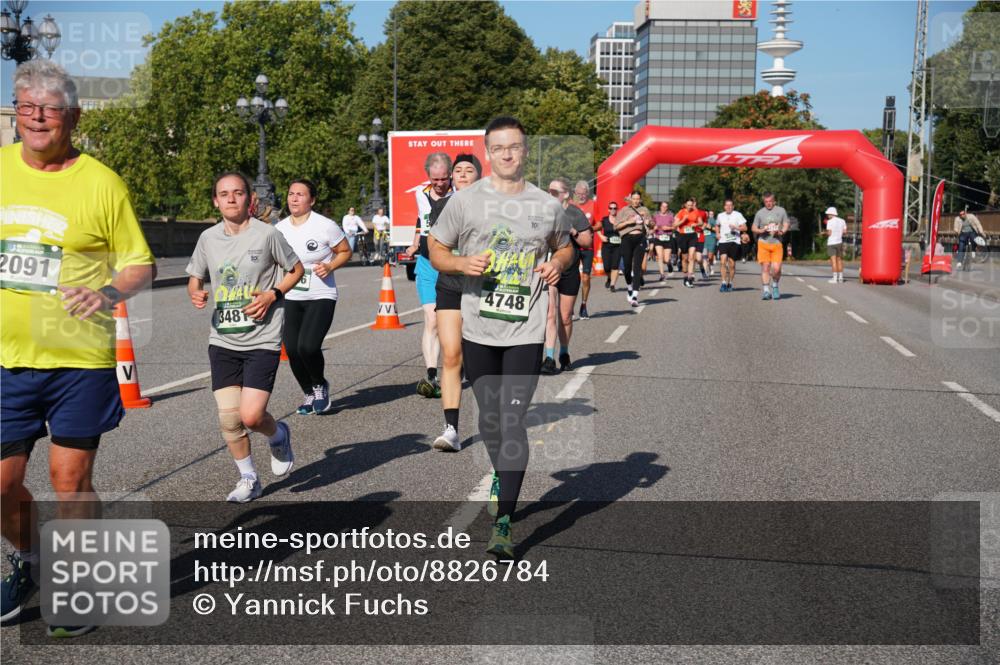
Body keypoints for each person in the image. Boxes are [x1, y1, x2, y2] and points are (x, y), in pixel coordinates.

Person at [0, 61, 157, 637]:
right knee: (1, 484)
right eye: (26, 105)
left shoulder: (100, 182)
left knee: (69, 478)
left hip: (78, 361)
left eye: (51, 107)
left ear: (74, 116)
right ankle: (33, 559)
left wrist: (108, 291)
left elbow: (141, 262)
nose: (37, 116)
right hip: (5, 359)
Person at [430, 116, 572, 559]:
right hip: (479, 327)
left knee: (510, 423)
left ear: (525, 150)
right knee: (490, 420)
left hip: (526, 328)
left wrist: (558, 264)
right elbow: (437, 249)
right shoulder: (465, 201)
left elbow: (564, 244)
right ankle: (500, 471)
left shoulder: (546, 204)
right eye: (499, 148)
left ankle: (505, 523)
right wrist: (459, 265)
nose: (508, 154)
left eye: (515, 147)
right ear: (487, 152)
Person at [187, 172, 304, 503]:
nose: (231, 199)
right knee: (229, 417)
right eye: (224, 194)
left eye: (238, 193)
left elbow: (296, 270)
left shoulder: (267, 235)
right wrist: (196, 293)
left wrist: (272, 294)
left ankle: (278, 434)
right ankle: (249, 478)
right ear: (216, 201)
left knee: (251, 416)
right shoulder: (208, 238)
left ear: (249, 198)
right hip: (223, 338)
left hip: (262, 338)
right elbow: (195, 277)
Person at [276, 179, 351, 415]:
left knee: (308, 346)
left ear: (312, 200)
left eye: (300, 194)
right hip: (291, 295)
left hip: (321, 294)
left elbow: (345, 251)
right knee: (292, 349)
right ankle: (308, 392)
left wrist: (330, 266)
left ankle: (319, 385)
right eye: (291, 194)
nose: (294, 198)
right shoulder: (279, 229)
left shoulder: (325, 225)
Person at [429, 153, 482, 452]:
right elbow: (436, 248)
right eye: (457, 170)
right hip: (449, 284)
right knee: (451, 355)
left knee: (478, 358)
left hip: (483, 288)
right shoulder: (442, 206)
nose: (461, 174)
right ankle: (451, 429)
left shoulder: (493, 205)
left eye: (468, 170)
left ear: (479, 176)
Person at [406, 152, 453, 398]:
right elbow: (421, 220)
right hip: (426, 263)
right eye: (435, 179)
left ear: (451, 175)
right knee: (431, 319)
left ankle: (457, 367)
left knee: (456, 322)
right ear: (429, 177)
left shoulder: (459, 196)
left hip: (452, 264)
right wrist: (414, 244)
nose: (440, 184)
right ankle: (432, 374)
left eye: (444, 179)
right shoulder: (420, 194)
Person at [541, 178, 592, 374]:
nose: (549, 194)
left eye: (554, 192)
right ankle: (549, 357)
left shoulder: (574, 213)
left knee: (565, 317)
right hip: (550, 268)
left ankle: (564, 352)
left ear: (566, 195)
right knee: (550, 313)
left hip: (570, 270)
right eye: (548, 191)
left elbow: (587, 241)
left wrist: (572, 230)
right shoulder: (542, 211)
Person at [752, 192, 790, 300]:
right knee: (765, 267)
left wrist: (782, 231)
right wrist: (761, 230)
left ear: (774, 201)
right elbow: (753, 227)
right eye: (766, 202)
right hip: (763, 243)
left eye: (770, 201)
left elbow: (786, 223)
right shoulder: (760, 213)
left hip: (777, 243)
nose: (768, 204)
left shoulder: (781, 210)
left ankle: (775, 285)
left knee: (776, 269)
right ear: (764, 202)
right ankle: (766, 291)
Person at [615, 191, 649, 307]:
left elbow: (652, 224)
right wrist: (629, 221)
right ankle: (629, 286)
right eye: (634, 198)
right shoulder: (624, 211)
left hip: (640, 238)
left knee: (637, 267)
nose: (636, 201)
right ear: (630, 199)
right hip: (627, 239)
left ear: (640, 199)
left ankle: (635, 295)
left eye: (638, 199)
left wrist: (649, 222)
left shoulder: (644, 210)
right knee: (627, 267)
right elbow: (617, 226)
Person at [572, 180, 597, 320]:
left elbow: (599, 223)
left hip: (588, 246)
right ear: (575, 193)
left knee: (586, 277)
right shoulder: (570, 205)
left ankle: (583, 305)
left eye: (584, 193)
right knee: (573, 278)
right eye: (579, 193)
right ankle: (570, 308)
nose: (581, 196)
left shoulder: (593, 205)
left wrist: (589, 230)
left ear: (587, 193)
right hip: (573, 246)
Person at [715, 199, 747, 292]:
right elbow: (717, 225)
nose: (728, 207)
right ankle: (724, 283)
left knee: (732, 264)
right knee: (723, 261)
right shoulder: (720, 215)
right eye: (727, 205)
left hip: (734, 242)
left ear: (733, 206)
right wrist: (717, 233)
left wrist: (736, 227)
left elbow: (745, 227)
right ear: (724, 207)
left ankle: (730, 282)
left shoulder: (738, 215)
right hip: (723, 241)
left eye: (730, 205)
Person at [675, 198, 706, 288]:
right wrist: (683, 220)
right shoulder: (681, 212)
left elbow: (701, 222)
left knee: (691, 256)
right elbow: (675, 225)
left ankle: (690, 277)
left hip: (692, 235)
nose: (689, 207)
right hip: (683, 236)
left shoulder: (696, 212)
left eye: (691, 205)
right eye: (688, 205)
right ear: (685, 205)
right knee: (684, 258)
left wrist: (696, 224)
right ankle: (685, 276)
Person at [599, 202, 622, 292]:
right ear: (608, 209)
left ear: (617, 210)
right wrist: (601, 236)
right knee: (607, 267)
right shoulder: (604, 220)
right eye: (611, 208)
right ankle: (609, 277)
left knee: (615, 266)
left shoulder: (620, 220)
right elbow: (597, 228)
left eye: (615, 208)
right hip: (607, 246)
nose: (613, 210)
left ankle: (612, 285)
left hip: (618, 246)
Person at [821, 206, 847, 284]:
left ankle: (835, 278)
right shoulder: (842, 221)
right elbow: (845, 231)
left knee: (833, 260)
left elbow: (829, 233)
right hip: (839, 242)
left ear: (831, 214)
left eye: (828, 214)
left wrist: (823, 233)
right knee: (839, 260)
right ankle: (841, 278)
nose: (827, 215)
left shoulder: (830, 221)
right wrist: (838, 234)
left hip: (832, 242)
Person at [651, 201, 675, 281]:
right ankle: (662, 274)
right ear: (660, 207)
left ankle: (669, 264)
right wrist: (654, 227)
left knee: (666, 259)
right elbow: (652, 224)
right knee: (660, 257)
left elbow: (675, 226)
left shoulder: (671, 216)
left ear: (667, 208)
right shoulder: (655, 216)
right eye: (663, 206)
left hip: (668, 238)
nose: (664, 208)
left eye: (666, 207)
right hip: (658, 238)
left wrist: (669, 228)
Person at [702, 209, 718, 278]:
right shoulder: (703, 220)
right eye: (709, 214)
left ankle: (711, 267)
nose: (710, 215)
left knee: (710, 256)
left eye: (712, 214)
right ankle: (706, 271)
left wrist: (710, 227)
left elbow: (717, 229)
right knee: (704, 257)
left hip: (712, 239)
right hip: (704, 240)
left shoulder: (713, 220)